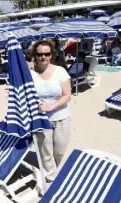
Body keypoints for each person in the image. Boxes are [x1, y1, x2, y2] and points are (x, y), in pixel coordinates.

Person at [30, 40, 72, 192]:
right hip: (42, 119)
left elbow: (67, 95)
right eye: (39, 54)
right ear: (35, 55)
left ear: (51, 54)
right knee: (46, 153)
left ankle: (51, 172)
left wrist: (51, 106)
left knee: (59, 151)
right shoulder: (31, 73)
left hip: (61, 117)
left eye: (46, 54)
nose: (43, 57)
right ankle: (52, 182)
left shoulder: (60, 71)